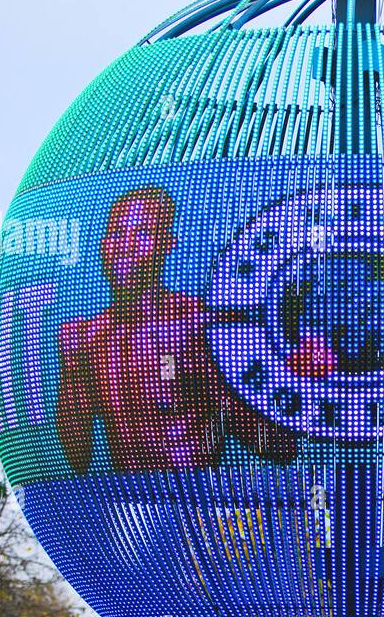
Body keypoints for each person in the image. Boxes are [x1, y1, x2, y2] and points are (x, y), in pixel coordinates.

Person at [55, 186, 295, 473]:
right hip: (130, 507)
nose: (126, 244)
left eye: (142, 232)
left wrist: (222, 385)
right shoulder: (86, 338)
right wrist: (72, 375)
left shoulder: (200, 325)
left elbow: (279, 447)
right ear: (103, 244)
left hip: (196, 507)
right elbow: (76, 458)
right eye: (117, 233)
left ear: (166, 243)